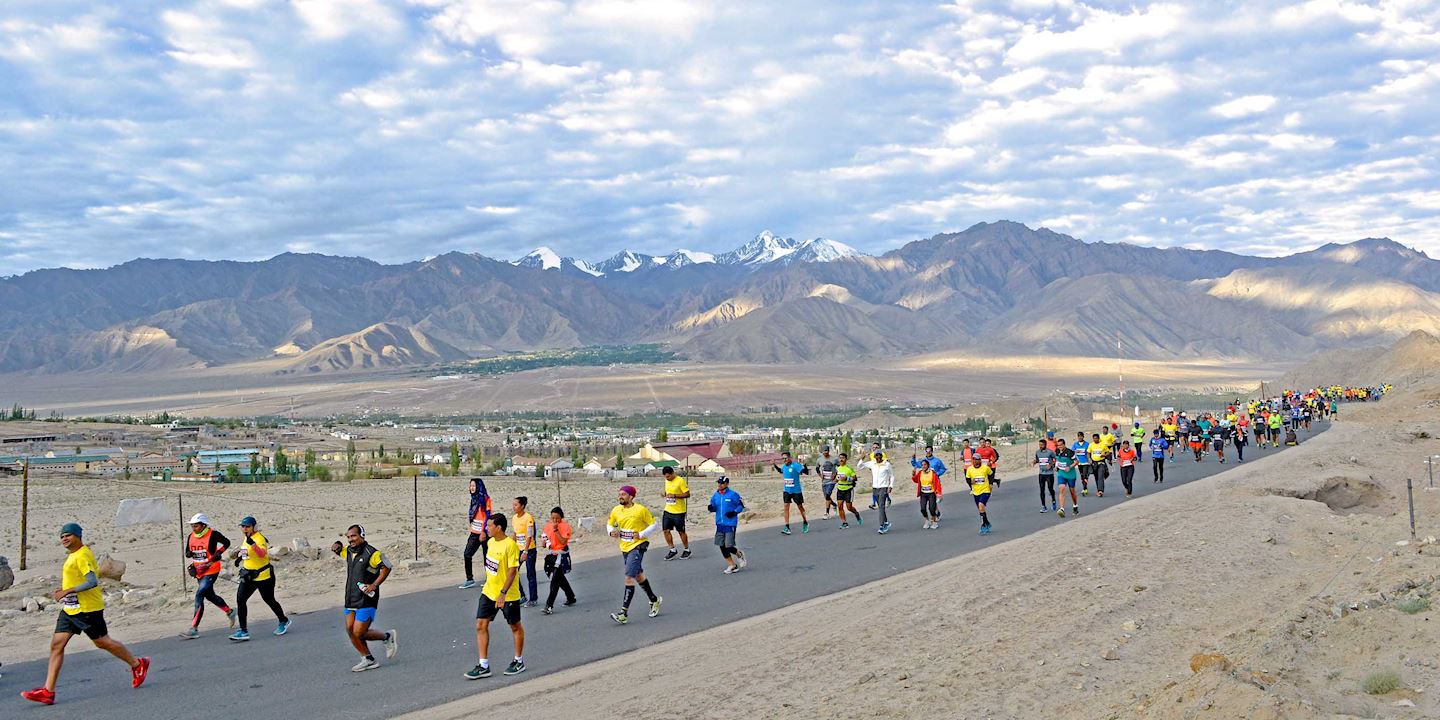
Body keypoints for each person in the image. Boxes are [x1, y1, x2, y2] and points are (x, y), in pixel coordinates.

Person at [19, 523, 150, 706]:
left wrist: (68, 591)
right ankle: (48, 692)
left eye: (68, 535)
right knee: (57, 645)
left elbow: (92, 582)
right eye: (62, 536)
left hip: (87, 609)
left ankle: (137, 664)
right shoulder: (73, 555)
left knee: (103, 642)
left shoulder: (82, 555)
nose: (64, 538)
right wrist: (65, 591)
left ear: (78, 536)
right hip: (71, 609)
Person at [464, 513, 526, 679]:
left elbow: (513, 571)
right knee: (480, 625)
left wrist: (503, 594)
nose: (487, 528)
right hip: (489, 592)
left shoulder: (510, 546)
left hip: (507, 595)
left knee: (515, 626)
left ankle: (518, 660)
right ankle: (484, 665)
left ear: (499, 528)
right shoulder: (491, 542)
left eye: (490, 526)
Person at [330, 525, 397, 672]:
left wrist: (374, 585)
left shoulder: (372, 553)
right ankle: (368, 659)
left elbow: (387, 567)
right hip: (351, 598)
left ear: (362, 535)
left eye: (353, 536)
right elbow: (337, 550)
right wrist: (336, 545)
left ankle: (386, 637)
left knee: (359, 632)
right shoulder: (348, 551)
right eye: (348, 537)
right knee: (350, 629)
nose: (350, 539)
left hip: (366, 599)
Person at [229, 516, 291, 641]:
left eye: (248, 527)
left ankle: (283, 620)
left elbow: (262, 554)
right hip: (248, 576)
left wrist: (253, 544)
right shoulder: (246, 539)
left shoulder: (259, 538)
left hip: (263, 577)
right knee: (240, 600)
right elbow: (248, 552)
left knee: (269, 599)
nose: (245, 529)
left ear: (254, 527)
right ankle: (243, 630)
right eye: (243, 527)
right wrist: (240, 558)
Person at [607, 486, 662, 624]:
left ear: (631, 497)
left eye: (623, 494)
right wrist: (610, 532)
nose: (620, 496)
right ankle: (654, 600)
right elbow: (609, 524)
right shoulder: (616, 510)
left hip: (638, 546)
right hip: (624, 547)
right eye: (619, 494)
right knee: (638, 575)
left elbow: (654, 524)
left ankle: (623, 613)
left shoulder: (640, 510)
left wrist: (642, 534)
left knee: (629, 577)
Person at [180, 513, 235, 639]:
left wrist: (218, 553)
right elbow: (188, 552)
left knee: (199, 594)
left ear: (204, 525)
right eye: (192, 526)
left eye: (196, 526)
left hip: (211, 570)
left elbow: (226, 542)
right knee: (209, 595)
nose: (194, 528)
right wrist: (189, 555)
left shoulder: (213, 535)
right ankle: (230, 612)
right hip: (199, 571)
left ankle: (194, 628)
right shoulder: (191, 536)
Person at [707, 476, 748, 574]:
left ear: (727, 484)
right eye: (718, 483)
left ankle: (739, 554)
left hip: (730, 523)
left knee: (729, 545)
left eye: (721, 483)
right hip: (720, 523)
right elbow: (713, 506)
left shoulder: (733, 494)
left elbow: (741, 506)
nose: (719, 485)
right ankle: (732, 565)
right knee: (721, 545)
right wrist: (711, 508)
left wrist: (734, 512)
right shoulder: (716, 495)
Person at [541, 507, 576, 614]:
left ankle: (549, 605)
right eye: (553, 518)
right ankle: (571, 597)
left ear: (561, 517)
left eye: (557, 518)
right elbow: (544, 540)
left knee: (555, 581)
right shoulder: (547, 526)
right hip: (551, 555)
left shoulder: (565, 526)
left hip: (561, 555)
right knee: (560, 578)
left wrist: (556, 530)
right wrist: (545, 543)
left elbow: (563, 541)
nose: (555, 520)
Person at [459, 478, 493, 590]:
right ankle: (470, 579)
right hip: (474, 532)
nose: (471, 488)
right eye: (470, 486)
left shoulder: (485, 499)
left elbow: (488, 516)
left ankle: (490, 580)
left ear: (479, 486)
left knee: (486, 557)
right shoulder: (473, 499)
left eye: (473, 486)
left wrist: (484, 531)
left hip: (484, 532)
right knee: (467, 554)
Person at [772, 451, 810, 535]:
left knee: (800, 506)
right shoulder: (784, 467)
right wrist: (774, 465)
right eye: (783, 459)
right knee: (786, 507)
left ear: (790, 458)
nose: (784, 460)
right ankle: (787, 527)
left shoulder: (796, 465)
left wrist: (804, 465)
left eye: (785, 458)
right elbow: (781, 471)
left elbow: (806, 472)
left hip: (796, 491)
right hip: (786, 490)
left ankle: (805, 522)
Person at [510, 497, 538, 607]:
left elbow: (530, 535)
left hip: (529, 549)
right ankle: (522, 596)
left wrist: (525, 551)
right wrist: (512, 546)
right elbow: (515, 534)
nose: (514, 507)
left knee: (530, 574)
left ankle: (533, 599)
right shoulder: (514, 518)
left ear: (522, 506)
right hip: (518, 549)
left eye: (516, 505)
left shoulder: (528, 518)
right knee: (513, 571)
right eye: (513, 505)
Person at [859, 451, 895, 534]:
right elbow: (860, 466)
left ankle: (881, 526)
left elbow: (892, 476)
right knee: (880, 507)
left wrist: (890, 486)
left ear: (882, 456)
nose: (878, 457)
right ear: (874, 457)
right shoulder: (872, 464)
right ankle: (886, 522)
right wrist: (862, 458)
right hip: (875, 488)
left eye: (879, 455)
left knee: (881, 507)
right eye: (876, 456)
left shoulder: (887, 465)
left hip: (883, 487)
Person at [660, 467, 692, 560]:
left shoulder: (680, 481)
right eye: (666, 477)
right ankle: (672, 550)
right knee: (666, 530)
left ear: (673, 473)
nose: (667, 478)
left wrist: (675, 495)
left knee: (681, 531)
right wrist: (665, 494)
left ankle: (687, 550)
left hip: (679, 511)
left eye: (669, 476)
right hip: (668, 510)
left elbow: (687, 494)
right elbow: (668, 491)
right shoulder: (666, 481)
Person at [964, 455, 995, 535]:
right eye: (974, 460)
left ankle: (983, 526)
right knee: (981, 510)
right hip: (976, 492)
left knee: (981, 506)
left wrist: (991, 483)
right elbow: (967, 479)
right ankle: (987, 523)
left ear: (980, 460)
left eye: (977, 460)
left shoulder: (985, 468)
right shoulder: (969, 469)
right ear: (972, 460)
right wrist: (971, 482)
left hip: (985, 490)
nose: (976, 461)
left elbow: (991, 475)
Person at [912, 459, 942, 530]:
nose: (923, 466)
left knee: (932, 509)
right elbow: (915, 480)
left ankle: (934, 522)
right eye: (922, 465)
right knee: (922, 509)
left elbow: (938, 484)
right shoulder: (920, 473)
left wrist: (939, 493)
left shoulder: (933, 473)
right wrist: (913, 474)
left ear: (928, 465)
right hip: (923, 494)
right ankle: (927, 520)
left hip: (931, 493)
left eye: (925, 465)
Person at [834, 452, 863, 528]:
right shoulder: (837, 468)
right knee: (840, 506)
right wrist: (835, 480)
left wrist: (847, 478)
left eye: (843, 458)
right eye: (840, 458)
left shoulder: (849, 468)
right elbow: (836, 478)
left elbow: (855, 478)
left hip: (848, 489)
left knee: (849, 507)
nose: (841, 459)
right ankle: (844, 522)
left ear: (846, 459)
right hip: (840, 488)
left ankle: (856, 513)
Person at [1054, 442, 1080, 517]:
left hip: (1071, 475)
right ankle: (1062, 509)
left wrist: (1070, 467)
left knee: (1072, 491)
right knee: (1061, 488)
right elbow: (1057, 460)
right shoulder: (1057, 451)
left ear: (1064, 444)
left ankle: (1075, 505)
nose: (1059, 447)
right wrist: (1056, 466)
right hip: (1061, 474)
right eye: (1058, 445)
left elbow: (1077, 462)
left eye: (1061, 445)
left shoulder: (1070, 452)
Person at [1032, 438, 1057, 513]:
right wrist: (1035, 462)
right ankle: (1043, 506)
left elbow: (1056, 459)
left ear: (1045, 445)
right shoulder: (1037, 452)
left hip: (1049, 474)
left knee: (1050, 488)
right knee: (1041, 490)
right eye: (1039, 445)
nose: (1040, 446)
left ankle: (1053, 500)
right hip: (1041, 474)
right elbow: (1037, 459)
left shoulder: (1050, 452)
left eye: (1042, 445)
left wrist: (1051, 464)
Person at [816, 445, 840, 519]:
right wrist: (820, 475)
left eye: (826, 451)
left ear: (829, 451)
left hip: (832, 481)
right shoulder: (819, 460)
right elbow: (817, 468)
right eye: (824, 451)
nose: (825, 452)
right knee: (827, 497)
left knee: (827, 495)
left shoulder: (834, 459)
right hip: (824, 481)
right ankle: (834, 504)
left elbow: (841, 468)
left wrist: (836, 475)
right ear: (822, 452)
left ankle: (827, 513)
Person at [867, 442, 887, 509]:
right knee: (875, 488)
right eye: (873, 447)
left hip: (882, 473)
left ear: (879, 448)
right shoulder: (871, 455)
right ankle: (874, 503)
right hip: (875, 473)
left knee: (882, 488)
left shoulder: (883, 454)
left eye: (876, 447)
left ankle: (887, 498)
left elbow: (885, 463)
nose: (874, 449)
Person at [1089, 432, 1109, 497]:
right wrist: (1089, 459)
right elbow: (1088, 452)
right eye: (1094, 438)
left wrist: (1105, 455)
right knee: (1096, 477)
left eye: (1096, 438)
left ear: (1098, 438)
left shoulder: (1103, 445)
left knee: (1100, 476)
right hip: (1094, 463)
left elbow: (1108, 452)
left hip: (1101, 463)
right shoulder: (1091, 445)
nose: (1095, 440)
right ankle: (1098, 490)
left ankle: (1101, 491)